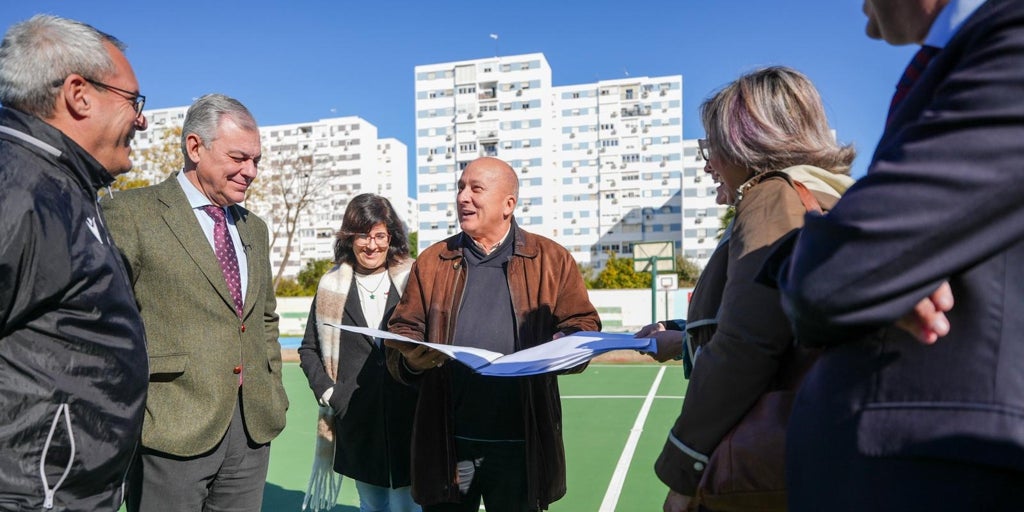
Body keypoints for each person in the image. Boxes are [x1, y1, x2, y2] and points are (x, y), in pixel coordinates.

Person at [774, 0, 1024, 509]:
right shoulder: (966, 54)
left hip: (946, 479)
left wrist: (875, 259)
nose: (860, 9)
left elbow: (836, 275)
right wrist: (888, 260)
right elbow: (860, 255)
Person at [639, 67, 855, 512]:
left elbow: (749, 340)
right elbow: (783, 316)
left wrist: (683, 469)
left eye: (711, 146)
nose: (706, 162)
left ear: (748, 142)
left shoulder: (772, 197)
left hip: (770, 469)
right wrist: (683, 338)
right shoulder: (829, 197)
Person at [102, 93, 289, 511]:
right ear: (194, 147)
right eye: (239, 157)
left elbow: (265, 318)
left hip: (252, 429)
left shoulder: (253, 228)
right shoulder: (130, 213)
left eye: (256, 160)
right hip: (169, 427)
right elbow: (103, 324)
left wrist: (272, 388)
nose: (251, 172)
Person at [384, 156, 601, 512]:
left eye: (475, 189)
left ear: (508, 204)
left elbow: (584, 325)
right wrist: (411, 359)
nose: (462, 197)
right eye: (460, 188)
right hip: (450, 447)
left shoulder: (552, 259)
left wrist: (566, 344)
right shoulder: (432, 260)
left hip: (521, 447)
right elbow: (401, 329)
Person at [0, 14, 149, 511]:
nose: (143, 119)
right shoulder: (21, 188)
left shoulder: (59, 185)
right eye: (133, 101)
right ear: (78, 95)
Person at [298, 193, 420, 512]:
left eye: (379, 235)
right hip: (358, 421)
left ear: (390, 237)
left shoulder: (414, 279)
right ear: (349, 238)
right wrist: (331, 394)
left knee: (406, 504)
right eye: (363, 236)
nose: (371, 245)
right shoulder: (331, 286)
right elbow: (309, 349)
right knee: (373, 503)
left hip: (411, 417)